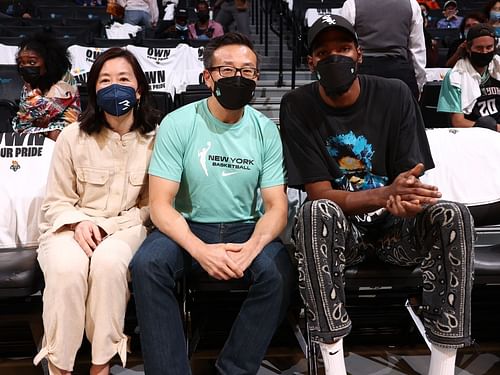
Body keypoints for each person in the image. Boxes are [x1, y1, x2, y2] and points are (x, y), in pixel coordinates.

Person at [279, 15, 475, 375]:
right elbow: (320, 192)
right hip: (342, 236)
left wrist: (407, 203)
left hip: (395, 233)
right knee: (314, 211)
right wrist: (387, 194)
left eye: (343, 48)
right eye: (323, 52)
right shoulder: (297, 105)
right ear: (310, 63)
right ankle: (334, 365)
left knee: (453, 214)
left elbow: (410, 179)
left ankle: (443, 366)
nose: (334, 57)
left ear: (359, 54)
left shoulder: (394, 93)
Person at [130, 32, 294, 375]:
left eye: (247, 71)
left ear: (256, 78)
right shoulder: (179, 123)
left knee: (279, 274)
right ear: (208, 78)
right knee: (148, 265)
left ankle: (233, 368)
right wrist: (200, 250)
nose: (239, 78)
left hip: (245, 227)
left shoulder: (266, 130)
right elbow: (161, 204)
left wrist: (253, 247)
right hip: (187, 225)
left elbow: (276, 206)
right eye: (228, 70)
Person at [33, 47, 160, 375]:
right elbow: (56, 201)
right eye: (105, 80)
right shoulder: (71, 138)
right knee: (66, 270)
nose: (114, 86)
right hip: (69, 226)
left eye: (123, 79)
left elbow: (152, 205)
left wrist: (111, 229)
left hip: (128, 227)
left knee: (108, 265)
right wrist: (79, 223)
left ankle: (100, 365)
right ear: (93, 89)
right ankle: (59, 366)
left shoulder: (156, 139)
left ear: (139, 88)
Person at [341, 0, 426, 99]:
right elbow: (417, 49)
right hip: (400, 72)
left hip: (365, 72)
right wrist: (419, 84)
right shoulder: (411, 3)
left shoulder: (352, 3)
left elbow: (343, 47)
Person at [12, 33, 80, 141]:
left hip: (65, 129)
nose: (26, 67)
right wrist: (34, 120)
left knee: (55, 134)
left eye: (32, 62)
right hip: (35, 128)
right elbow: (23, 117)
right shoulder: (31, 80)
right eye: (22, 63)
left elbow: (42, 111)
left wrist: (34, 117)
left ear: (48, 61)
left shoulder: (65, 80)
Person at [438, 23, 500, 132]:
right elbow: (458, 122)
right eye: (479, 48)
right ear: (468, 48)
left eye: (489, 47)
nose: (484, 52)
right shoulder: (455, 77)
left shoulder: (497, 67)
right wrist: (493, 128)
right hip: (473, 133)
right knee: (487, 122)